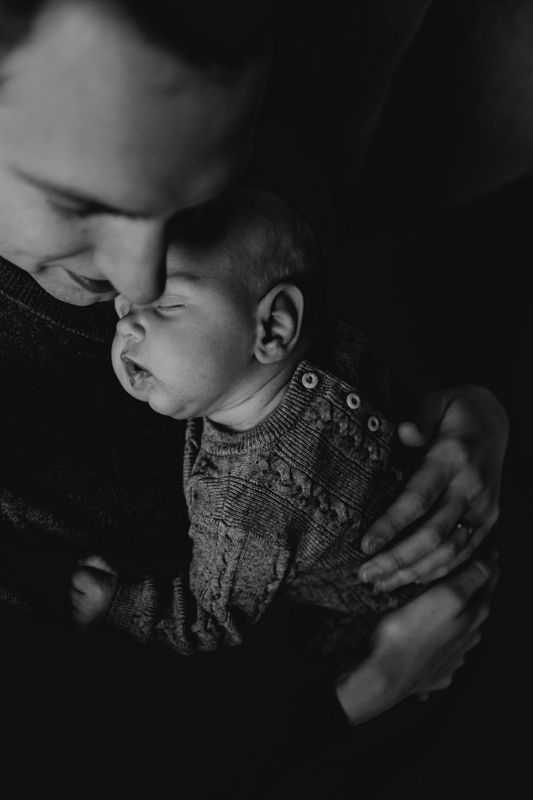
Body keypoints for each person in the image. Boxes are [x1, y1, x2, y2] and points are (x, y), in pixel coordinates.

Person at [0, 1, 505, 795]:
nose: (137, 280)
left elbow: (334, 338)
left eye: (186, 203)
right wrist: (368, 689)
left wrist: (471, 415)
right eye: (81, 202)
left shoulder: (249, 156)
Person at [68, 186, 427, 656]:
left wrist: (114, 605)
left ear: (275, 327)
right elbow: (212, 614)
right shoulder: (237, 504)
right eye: (121, 308)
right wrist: (120, 604)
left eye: (166, 305)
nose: (126, 327)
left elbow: (203, 624)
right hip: (390, 618)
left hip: (427, 551)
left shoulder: (241, 502)